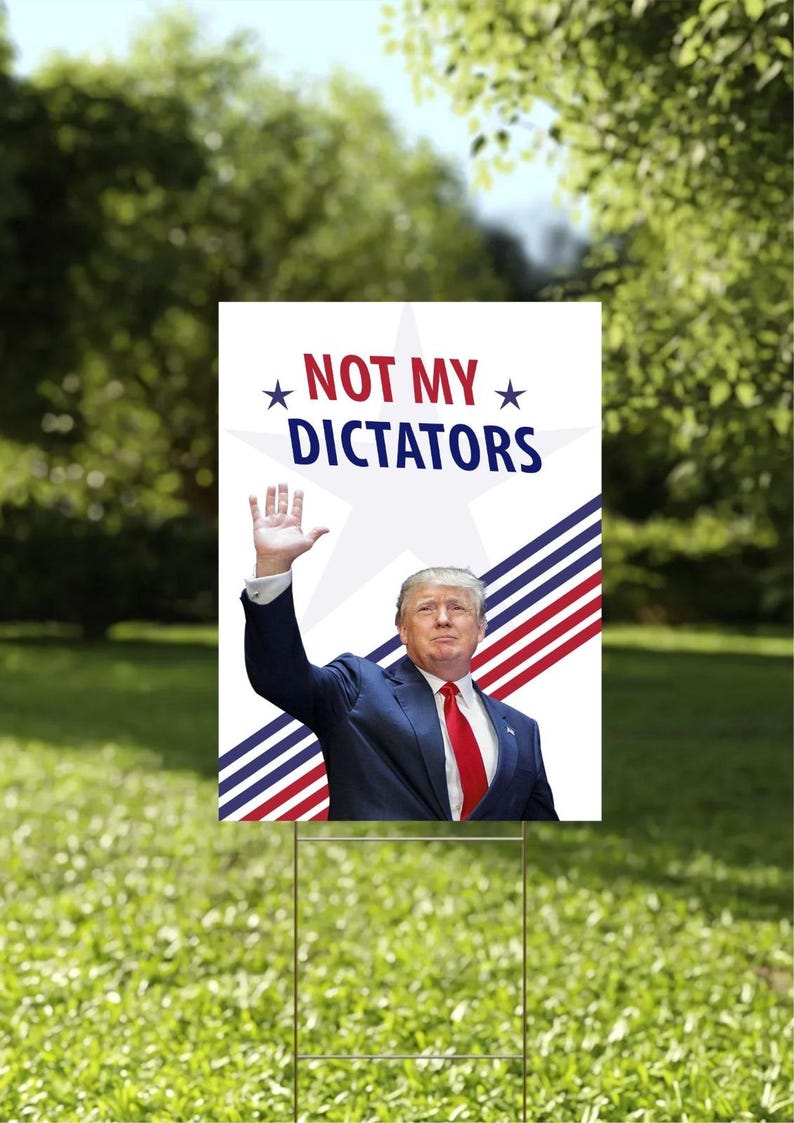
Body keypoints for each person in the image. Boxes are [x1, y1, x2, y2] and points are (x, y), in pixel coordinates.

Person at [241, 483, 558, 821]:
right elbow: (280, 677)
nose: (443, 619)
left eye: (458, 608)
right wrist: (273, 566)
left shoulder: (523, 730)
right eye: (426, 609)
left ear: (480, 629)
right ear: (403, 631)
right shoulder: (357, 687)